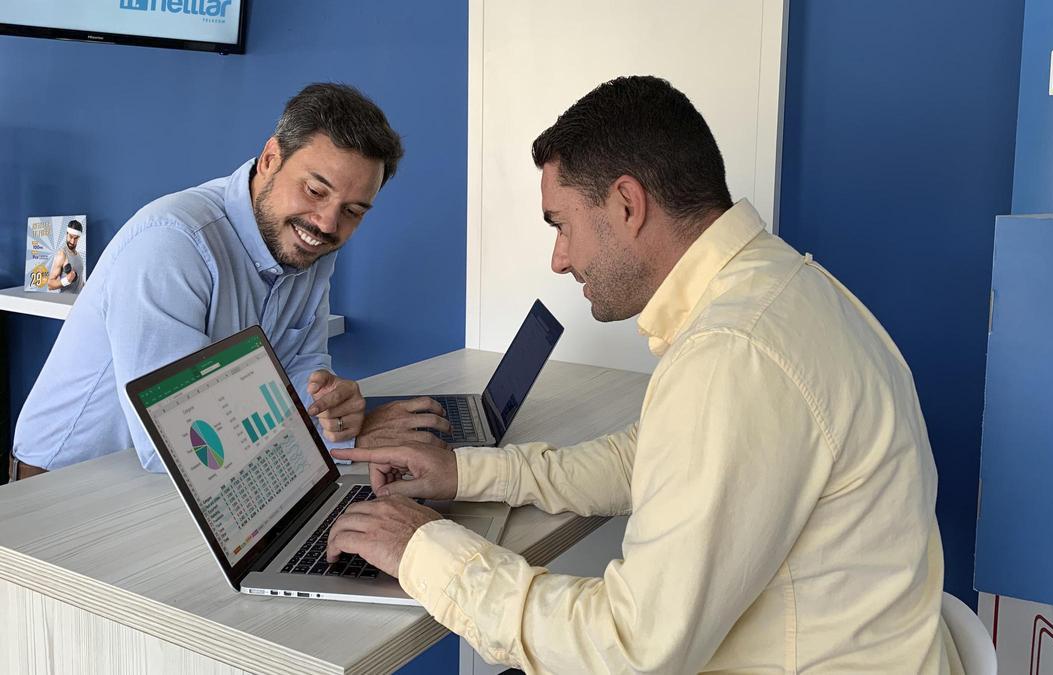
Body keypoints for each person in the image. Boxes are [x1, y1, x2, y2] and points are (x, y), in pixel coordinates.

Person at [326, 76, 962, 673]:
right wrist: (465, 472)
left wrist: (425, 549)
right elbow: (649, 457)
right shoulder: (780, 288)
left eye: (562, 226)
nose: (559, 258)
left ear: (628, 204)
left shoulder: (734, 351)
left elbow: (633, 651)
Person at [10, 83, 448, 481]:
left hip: (176, 479)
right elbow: (179, 438)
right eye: (315, 191)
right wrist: (346, 446)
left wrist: (334, 411)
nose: (328, 223)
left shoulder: (310, 242)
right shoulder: (172, 243)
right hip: (68, 480)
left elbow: (301, 372)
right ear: (272, 157)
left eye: (353, 210)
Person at [46, 219, 85, 292]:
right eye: (70, 236)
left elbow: (80, 281)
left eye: (75, 238)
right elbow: (50, 285)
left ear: (79, 238)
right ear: (67, 234)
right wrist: (66, 280)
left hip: (78, 300)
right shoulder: (62, 255)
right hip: (66, 301)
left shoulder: (79, 256)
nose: (72, 241)